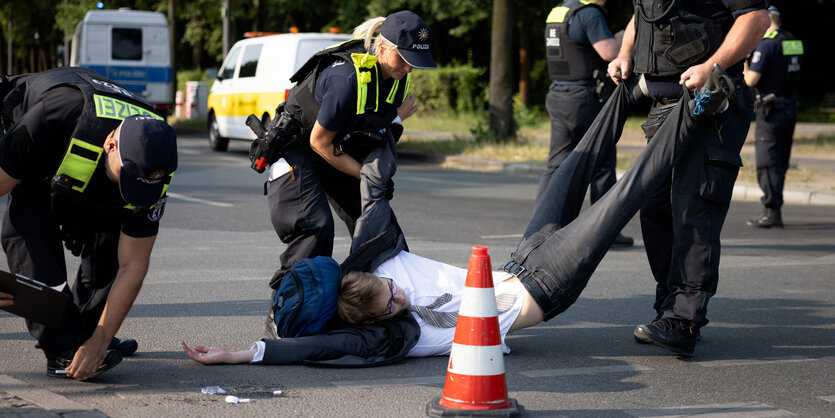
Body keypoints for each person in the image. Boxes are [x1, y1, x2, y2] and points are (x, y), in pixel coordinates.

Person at [181, 70, 735, 365]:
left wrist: (384, 129)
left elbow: (375, 185)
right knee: (622, 199)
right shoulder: (385, 338)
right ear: (374, 324)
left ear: (364, 277)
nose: (400, 299)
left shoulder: (381, 254)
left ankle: (625, 86)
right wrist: (242, 355)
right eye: (393, 306)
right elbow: (318, 348)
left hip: (521, 260)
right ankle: (697, 106)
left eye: (388, 291)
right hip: (545, 291)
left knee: (570, 168)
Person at [607, 1, 770, 355]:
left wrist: (712, 64)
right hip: (663, 110)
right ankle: (668, 305)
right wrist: (624, 54)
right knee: (654, 209)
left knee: (693, 210)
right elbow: (641, 14)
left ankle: (684, 319)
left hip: (709, 106)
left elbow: (756, 18)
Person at [0, 67, 178, 380]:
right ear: (111, 145)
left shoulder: (156, 163)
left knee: (114, 239)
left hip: (80, 175)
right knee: (31, 239)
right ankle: (61, 346)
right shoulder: (55, 116)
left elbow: (134, 265)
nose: (135, 189)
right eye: (127, 176)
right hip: (37, 159)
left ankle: (85, 332)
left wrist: (100, 339)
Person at [264, 10, 436, 288]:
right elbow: (319, 142)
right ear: (382, 46)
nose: (409, 68)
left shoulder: (395, 75)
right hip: (298, 149)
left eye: (414, 62)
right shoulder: (346, 80)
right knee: (315, 228)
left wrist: (394, 120)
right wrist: (367, 176)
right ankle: (288, 312)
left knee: (379, 225)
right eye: (403, 59)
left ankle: (384, 300)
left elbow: (369, 130)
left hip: (335, 151)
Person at [541, 0, 633, 248]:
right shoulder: (589, 14)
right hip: (584, 97)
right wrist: (623, 37)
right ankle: (603, 232)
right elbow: (609, 52)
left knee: (556, 163)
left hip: (559, 94)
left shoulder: (559, 11)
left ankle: (541, 228)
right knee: (602, 163)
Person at [744, 5, 803, 228]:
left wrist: (743, 62)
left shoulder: (766, 45)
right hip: (790, 107)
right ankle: (774, 208)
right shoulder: (793, 42)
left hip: (770, 112)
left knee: (767, 163)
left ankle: (771, 212)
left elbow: (751, 80)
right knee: (780, 161)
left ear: (766, 21)